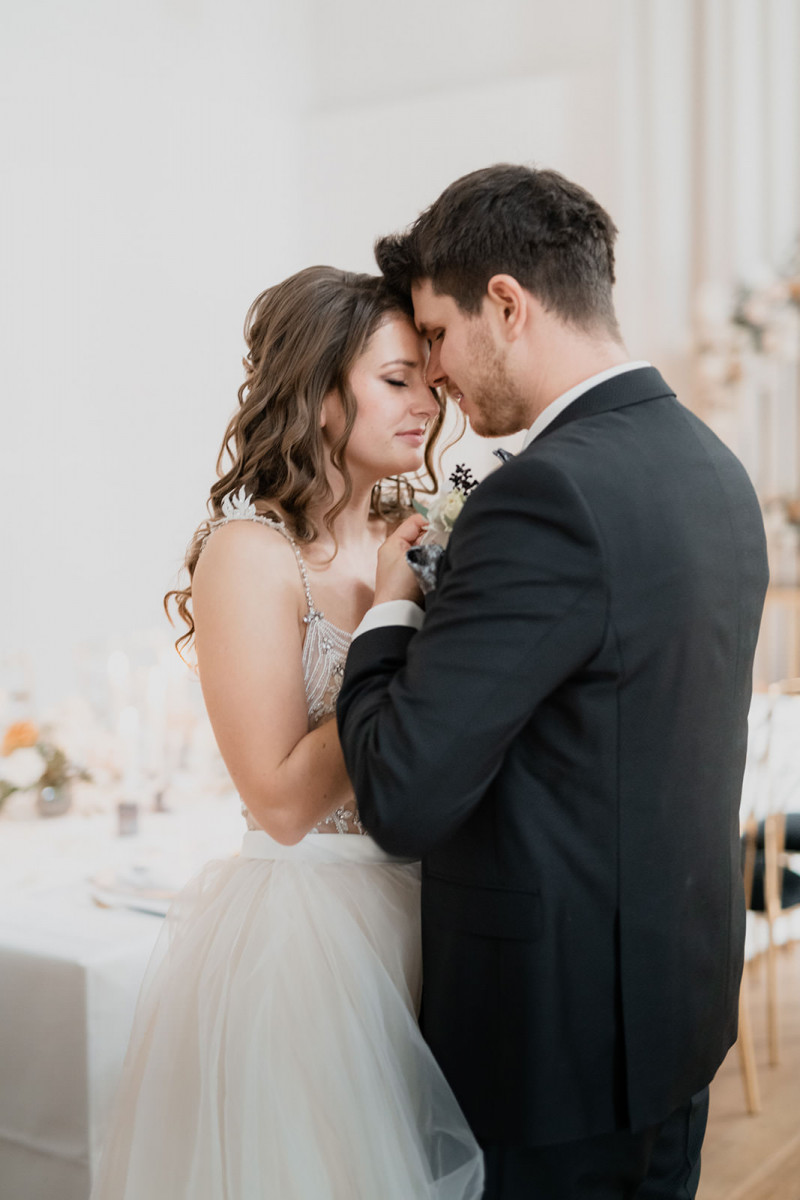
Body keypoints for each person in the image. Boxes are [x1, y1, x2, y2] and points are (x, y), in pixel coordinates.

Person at [336, 165, 769, 1199]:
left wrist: (389, 610)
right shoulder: (712, 467)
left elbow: (400, 792)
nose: (432, 378)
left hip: (554, 1046)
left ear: (505, 304)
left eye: (434, 337)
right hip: (673, 1010)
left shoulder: (545, 496)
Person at [90, 266, 484, 1200]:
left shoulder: (410, 529)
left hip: (432, 908)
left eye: (428, 377)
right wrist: (392, 622)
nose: (427, 401)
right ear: (315, 397)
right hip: (310, 940)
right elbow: (277, 803)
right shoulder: (248, 555)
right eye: (396, 380)